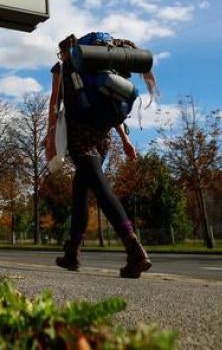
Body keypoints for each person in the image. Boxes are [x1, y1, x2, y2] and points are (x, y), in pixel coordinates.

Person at [44, 34, 152, 279]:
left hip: (80, 138)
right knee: (80, 190)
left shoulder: (62, 68)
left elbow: (54, 104)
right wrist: (125, 141)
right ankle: (72, 253)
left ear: (64, 51)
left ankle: (134, 250)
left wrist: (50, 137)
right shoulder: (96, 69)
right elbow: (112, 109)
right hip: (102, 139)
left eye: (60, 53)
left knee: (101, 189)